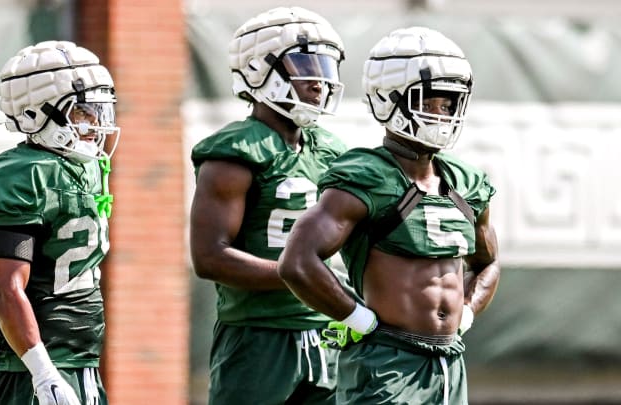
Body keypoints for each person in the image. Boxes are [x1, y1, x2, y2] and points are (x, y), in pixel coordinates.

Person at [278, 26, 501, 405]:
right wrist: (354, 317)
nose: (441, 113)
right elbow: (297, 262)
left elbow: (489, 263)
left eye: (449, 104)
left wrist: (468, 311)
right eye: (429, 100)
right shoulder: (366, 175)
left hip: (449, 361)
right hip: (387, 361)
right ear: (388, 99)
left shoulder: (465, 182)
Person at [189, 6, 348, 404]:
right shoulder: (236, 151)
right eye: (305, 63)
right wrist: (302, 276)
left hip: (326, 330)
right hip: (258, 334)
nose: (319, 79)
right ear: (260, 69)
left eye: (325, 64)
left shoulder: (331, 151)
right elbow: (210, 257)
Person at [0, 40, 120, 405]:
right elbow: (7, 288)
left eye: (99, 110)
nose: (96, 124)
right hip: (30, 369)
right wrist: (42, 371)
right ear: (34, 113)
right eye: (83, 112)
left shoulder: (83, 167)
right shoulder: (20, 175)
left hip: (82, 363)